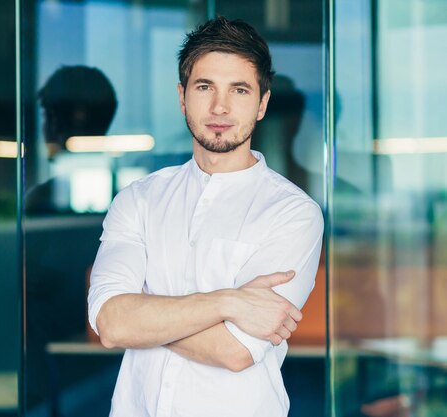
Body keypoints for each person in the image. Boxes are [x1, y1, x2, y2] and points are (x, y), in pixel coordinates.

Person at [87, 16, 324, 416]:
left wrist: (143, 314)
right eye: (204, 87)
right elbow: (111, 324)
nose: (220, 106)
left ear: (262, 103)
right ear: (182, 97)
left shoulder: (293, 213)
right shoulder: (139, 199)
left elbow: (234, 350)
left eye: (240, 89)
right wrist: (229, 301)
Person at [25, 65, 118, 214]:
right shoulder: (133, 199)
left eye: (47, 116)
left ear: (79, 116)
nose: (45, 128)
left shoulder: (42, 200)